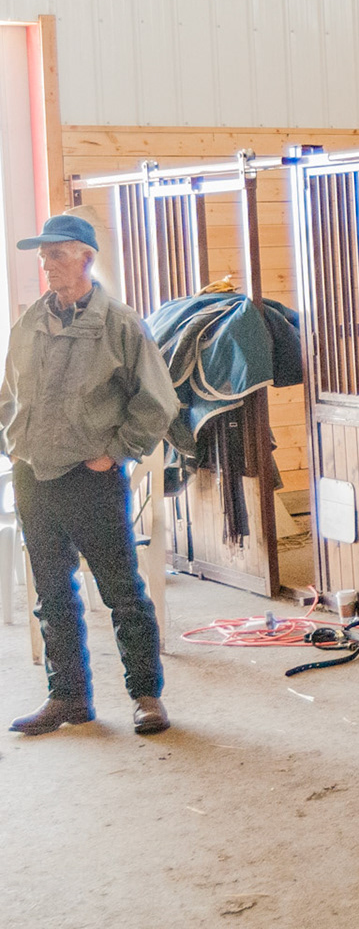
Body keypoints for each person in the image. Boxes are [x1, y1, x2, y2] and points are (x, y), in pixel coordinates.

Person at [3, 214, 180, 736]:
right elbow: (9, 396)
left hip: (90, 477)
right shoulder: (28, 323)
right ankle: (68, 698)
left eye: (56, 254)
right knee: (51, 593)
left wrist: (115, 453)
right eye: (42, 256)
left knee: (122, 591)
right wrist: (13, 447)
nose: (46, 265)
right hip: (34, 474)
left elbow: (157, 402)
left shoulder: (119, 324)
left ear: (85, 256)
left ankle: (146, 696)